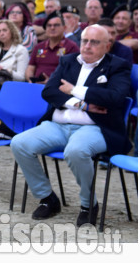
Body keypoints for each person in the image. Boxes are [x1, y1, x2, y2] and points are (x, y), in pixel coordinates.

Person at [11, 25, 131, 226]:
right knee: (19, 143)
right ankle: (47, 198)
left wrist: (74, 89)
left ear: (107, 46)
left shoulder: (118, 66)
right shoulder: (68, 61)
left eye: (94, 42)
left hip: (94, 128)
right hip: (58, 125)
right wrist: (81, 103)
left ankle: (88, 205)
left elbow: (115, 98)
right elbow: (48, 91)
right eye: (85, 41)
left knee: (75, 151)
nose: (88, 46)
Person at [0, 19, 29, 122]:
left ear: (12, 32)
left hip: (10, 86)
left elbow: (21, 77)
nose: (1, 33)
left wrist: (5, 69)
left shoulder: (21, 50)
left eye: (4, 30)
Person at [25, 11, 79, 84]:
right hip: (36, 86)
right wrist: (30, 80)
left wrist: (51, 82)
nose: (52, 28)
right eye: (49, 25)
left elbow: (73, 73)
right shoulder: (38, 47)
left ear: (64, 28)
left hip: (59, 88)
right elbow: (30, 68)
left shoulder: (71, 47)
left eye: (56, 25)